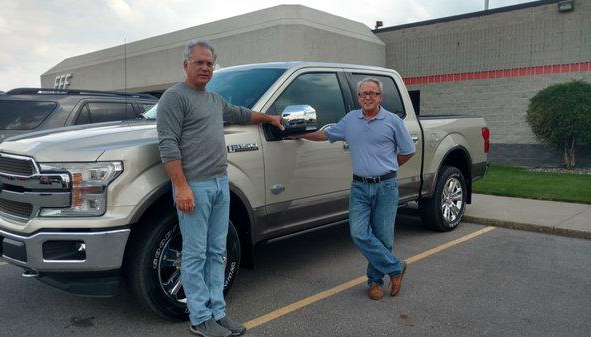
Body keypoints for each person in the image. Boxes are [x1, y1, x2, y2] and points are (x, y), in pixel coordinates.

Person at [157, 39, 283, 337]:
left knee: (217, 251)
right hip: (195, 187)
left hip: (220, 184)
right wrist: (181, 187)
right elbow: (168, 145)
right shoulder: (174, 98)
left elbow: (240, 113)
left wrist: (268, 118)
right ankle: (200, 319)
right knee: (195, 254)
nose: (205, 68)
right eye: (199, 62)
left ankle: (218, 312)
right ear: (185, 64)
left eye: (209, 63)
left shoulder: (213, 100)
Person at [290, 77, 415, 300]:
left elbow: (408, 150)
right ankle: (396, 268)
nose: (367, 97)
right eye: (363, 94)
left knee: (383, 237)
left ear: (380, 97)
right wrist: (299, 133)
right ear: (358, 98)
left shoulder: (393, 121)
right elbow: (326, 134)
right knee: (358, 233)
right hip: (359, 186)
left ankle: (375, 282)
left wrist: (387, 167)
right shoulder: (350, 120)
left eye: (373, 93)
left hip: (386, 186)